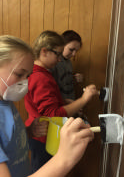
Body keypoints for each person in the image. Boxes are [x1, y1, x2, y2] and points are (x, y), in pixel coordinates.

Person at [0, 35, 94, 177]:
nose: (25, 82)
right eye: (19, 74)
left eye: (27, 75)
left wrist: (28, 132)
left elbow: (3, 139)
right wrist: (64, 158)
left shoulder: (3, 101)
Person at [24, 30, 98, 172]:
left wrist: (64, 101)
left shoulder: (41, 72)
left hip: (43, 136)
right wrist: (83, 100)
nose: (59, 59)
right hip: (42, 137)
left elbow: (47, 102)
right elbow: (53, 114)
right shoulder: (40, 77)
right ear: (44, 51)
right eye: (57, 54)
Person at [51, 30, 83, 102]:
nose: (74, 54)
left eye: (76, 51)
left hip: (69, 104)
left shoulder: (69, 62)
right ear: (62, 45)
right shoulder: (53, 62)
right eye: (71, 50)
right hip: (58, 106)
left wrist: (74, 77)